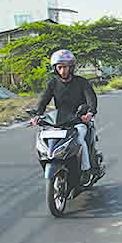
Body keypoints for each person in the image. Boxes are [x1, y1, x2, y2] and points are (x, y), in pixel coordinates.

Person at [31, 49, 97, 184]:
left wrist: (89, 113)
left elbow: (91, 99)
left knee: (79, 139)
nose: (63, 71)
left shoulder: (81, 82)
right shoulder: (53, 83)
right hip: (60, 121)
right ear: (55, 68)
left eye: (65, 67)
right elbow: (43, 100)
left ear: (71, 67)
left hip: (79, 120)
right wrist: (37, 115)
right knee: (48, 137)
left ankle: (86, 170)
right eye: (60, 67)